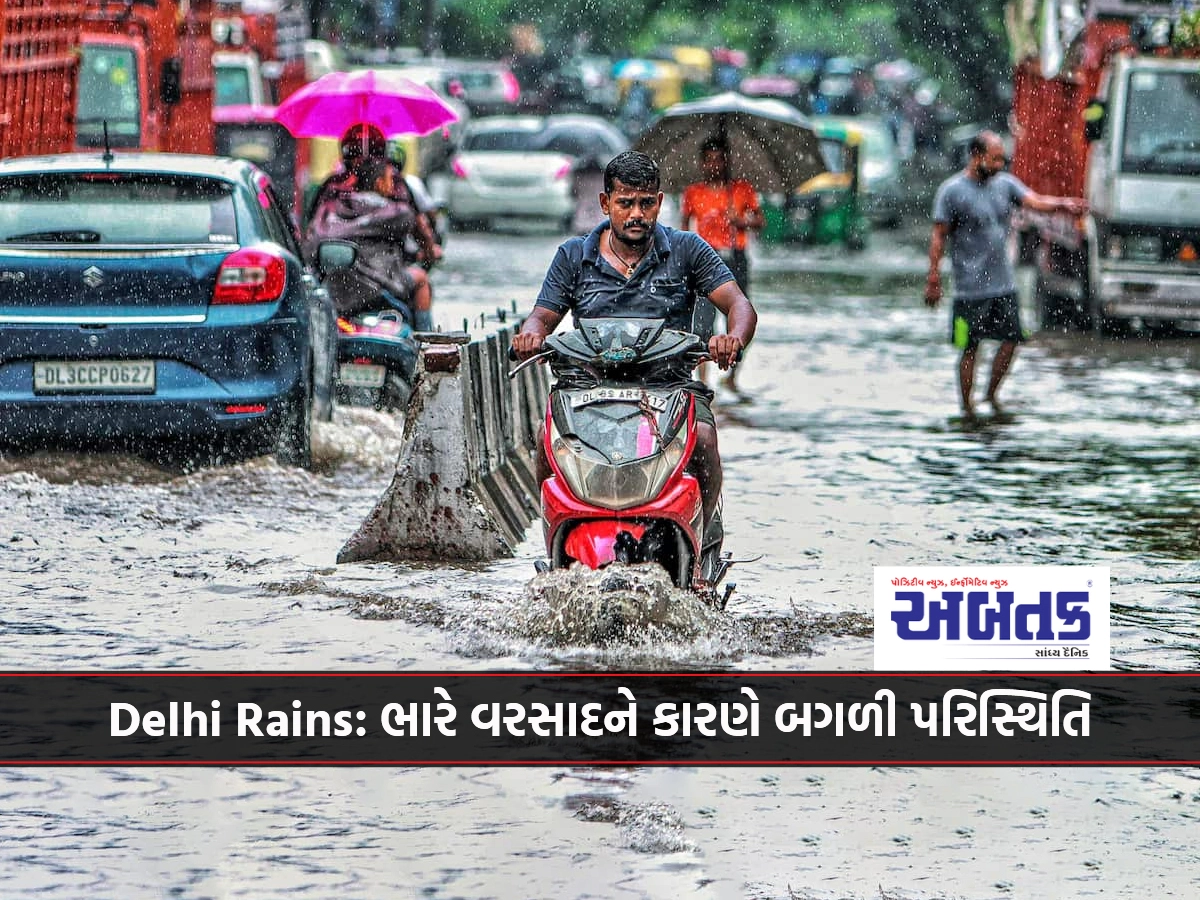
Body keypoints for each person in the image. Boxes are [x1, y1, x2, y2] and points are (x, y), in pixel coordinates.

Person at [512, 150, 757, 539]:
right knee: (547, 445)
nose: (636, 214)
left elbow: (739, 304)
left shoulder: (687, 250)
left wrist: (733, 339)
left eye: (646, 203)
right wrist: (531, 336)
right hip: (586, 390)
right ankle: (556, 545)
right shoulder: (573, 256)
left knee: (706, 441)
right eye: (625, 203)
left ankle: (700, 543)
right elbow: (542, 316)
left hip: (670, 388)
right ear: (605, 203)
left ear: (660, 203)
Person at [925, 130, 1086, 420]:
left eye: (1002, 159)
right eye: (995, 159)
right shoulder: (952, 192)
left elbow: (1034, 201)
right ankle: (967, 407)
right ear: (976, 156)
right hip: (968, 289)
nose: (1000, 164)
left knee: (1013, 340)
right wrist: (933, 278)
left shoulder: (1005, 184)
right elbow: (938, 236)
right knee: (970, 348)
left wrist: (1064, 204)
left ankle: (991, 395)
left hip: (1003, 285)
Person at [306, 123, 442, 330]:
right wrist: (429, 252)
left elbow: (311, 237)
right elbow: (420, 228)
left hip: (337, 284)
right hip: (386, 280)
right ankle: (427, 345)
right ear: (380, 180)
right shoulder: (398, 202)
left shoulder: (333, 193)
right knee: (421, 281)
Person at [679, 136, 764, 391]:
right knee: (702, 321)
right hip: (705, 258)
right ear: (702, 163)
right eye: (710, 160)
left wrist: (740, 221)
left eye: (719, 159)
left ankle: (732, 376)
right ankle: (703, 380)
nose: (715, 164)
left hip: (735, 256)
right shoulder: (693, 193)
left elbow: (760, 221)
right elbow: (685, 228)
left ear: (726, 161)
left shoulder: (741, 190)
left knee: (739, 315)